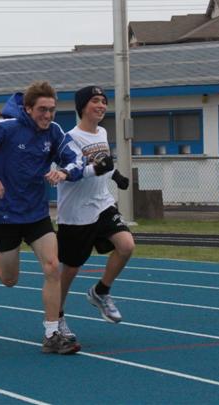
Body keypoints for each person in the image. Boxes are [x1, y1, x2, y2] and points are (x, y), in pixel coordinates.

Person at [0, 81, 83, 355]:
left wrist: (64, 172)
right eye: (42, 110)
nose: (48, 115)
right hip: (5, 214)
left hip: (36, 213)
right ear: (27, 108)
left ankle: (51, 333)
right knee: (9, 279)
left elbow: (76, 158)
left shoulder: (54, 132)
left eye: (51, 110)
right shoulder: (4, 129)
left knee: (52, 267)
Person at [56, 85, 134, 343]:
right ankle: (56, 316)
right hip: (76, 212)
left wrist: (117, 175)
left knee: (126, 245)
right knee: (70, 269)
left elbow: (105, 161)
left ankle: (100, 291)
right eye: (95, 101)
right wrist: (98, 169)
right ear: (82, 107)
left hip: (102, 203)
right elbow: (72, 172)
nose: (100, 106)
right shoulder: (69, 138)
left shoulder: (102, 131)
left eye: (103, 101)